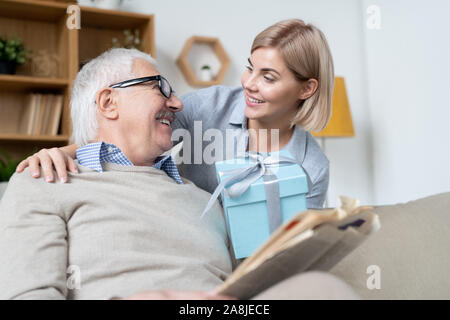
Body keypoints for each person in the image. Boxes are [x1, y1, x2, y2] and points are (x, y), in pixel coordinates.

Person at [0, 48, 358, 300]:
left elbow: (251, 284)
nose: (178, 103)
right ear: (109, 103)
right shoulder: (44, 181)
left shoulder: (208, 197)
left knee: (323, 290)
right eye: (161, 88)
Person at [17, 19, 334, 209]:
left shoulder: (311, 166)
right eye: (250, 68)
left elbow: (295, 245)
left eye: (268, 77)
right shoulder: (209, 107)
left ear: (306, 89)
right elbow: (129, 138)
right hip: (185, 238)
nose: (249, 84)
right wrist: (59, 152)